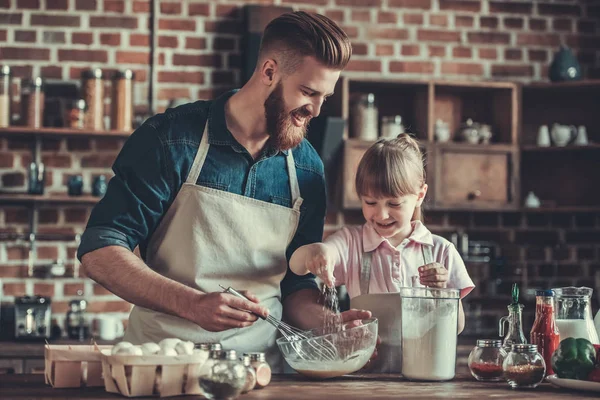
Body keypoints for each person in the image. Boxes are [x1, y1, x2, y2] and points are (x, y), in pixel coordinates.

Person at [77, 11, 370, 370]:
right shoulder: (171, 140)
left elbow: (295, 285)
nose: (316, 110)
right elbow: (100, 250)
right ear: (268, 72)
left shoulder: (307, 167)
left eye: (325, 96)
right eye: (308, 92)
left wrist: (329, 324)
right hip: (161, 365)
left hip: (261, 373)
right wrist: (192, 304)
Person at [289, 134, 475, 372]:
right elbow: (298, 266)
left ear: (420, 195)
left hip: (425, 383)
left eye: (394, 204)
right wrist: (315, 252)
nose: (381, 214)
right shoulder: (352, 243)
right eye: (370, 202)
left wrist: (444, 292)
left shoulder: (441, 251)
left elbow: (457, 326)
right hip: (365, 382)